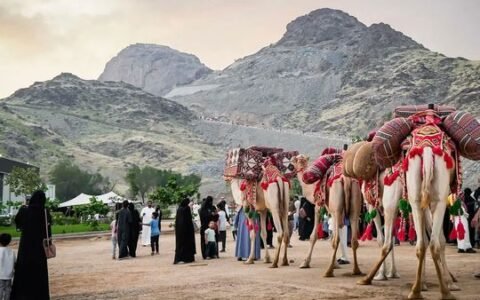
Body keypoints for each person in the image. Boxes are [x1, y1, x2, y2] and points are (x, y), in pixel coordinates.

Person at [11, 190, 51, 300]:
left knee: (24, 270)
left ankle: (22, 295)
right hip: (39, 247)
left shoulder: (24, 210)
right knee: (39, 272)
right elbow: (48, 229)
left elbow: (18, 222)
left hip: (26, 246)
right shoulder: (44, 211)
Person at [174, 198, 196, 264]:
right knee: (185, 244)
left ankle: (182, 258)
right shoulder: (186, 209)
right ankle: (185, 258)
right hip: (186, 230)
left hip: (180, 230)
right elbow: (188, 220)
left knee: (181, 244)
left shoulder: (179, 209)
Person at [0, 233, 15, 300]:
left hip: (0, 274)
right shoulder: (11, 251)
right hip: (9, 275)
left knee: (1, 288)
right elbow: (15, 262)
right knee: (8, 289)